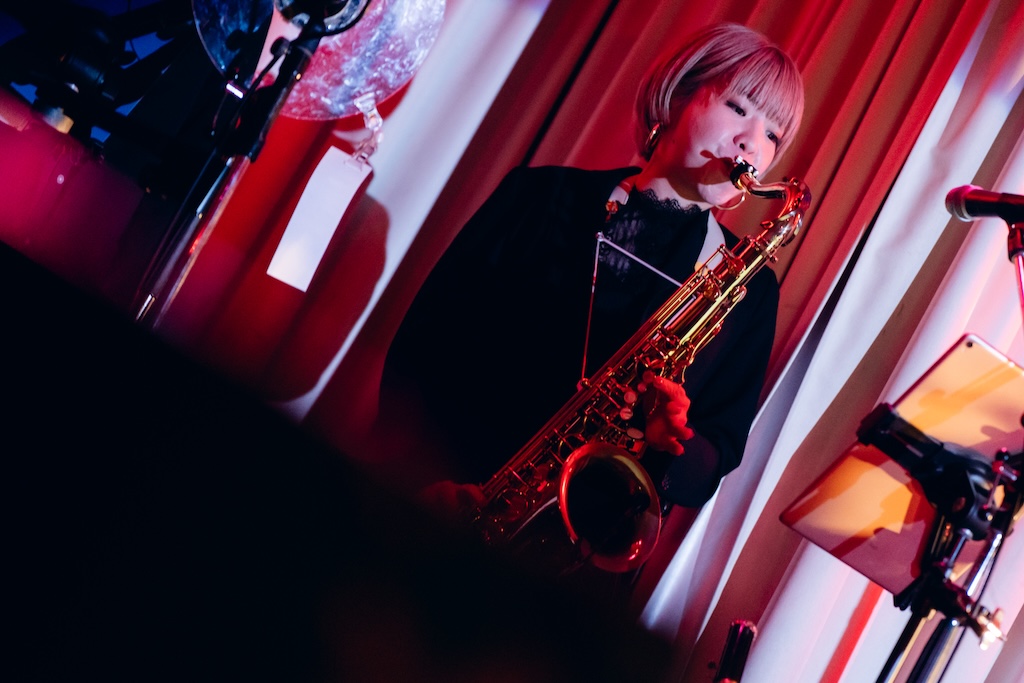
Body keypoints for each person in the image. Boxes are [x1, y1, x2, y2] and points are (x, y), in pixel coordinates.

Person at [375, 22, 804, 547]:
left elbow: (712, 462)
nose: (752, 143)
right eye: (738, 107)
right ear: (678, 95)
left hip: (571, 554)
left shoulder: (750, 288)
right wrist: (410, 479)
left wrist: (670, 440)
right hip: (436, 500)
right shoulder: (538, 195)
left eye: (773, 135)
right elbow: (424, 343)